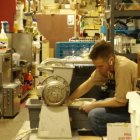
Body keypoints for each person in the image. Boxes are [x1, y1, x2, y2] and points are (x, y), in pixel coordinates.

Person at [66, 40, 137, 136]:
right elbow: (88, 85)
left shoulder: (122, 67)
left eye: (100, 66)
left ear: (110, 60)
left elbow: (120, 101)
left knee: (94, 116)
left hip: (136, 112)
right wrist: (69, 100)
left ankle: (122, 135)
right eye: (96, 66)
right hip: (130, 106)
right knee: (103, 103)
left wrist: (93, 105)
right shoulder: (107, 67)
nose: (98, 69)